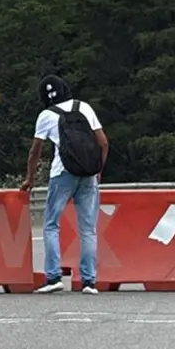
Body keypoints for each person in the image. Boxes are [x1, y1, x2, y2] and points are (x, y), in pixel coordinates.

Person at [20, 75, 109, 294]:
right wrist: (98, 170)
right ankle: (89, 281)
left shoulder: (46, 115)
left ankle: (53, 278)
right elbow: (103, 142)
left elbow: (35, 151)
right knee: (88, 229)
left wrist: (30, 179)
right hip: (88, 175)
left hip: (62, 174)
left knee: (51, 225)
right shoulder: (84, 108)